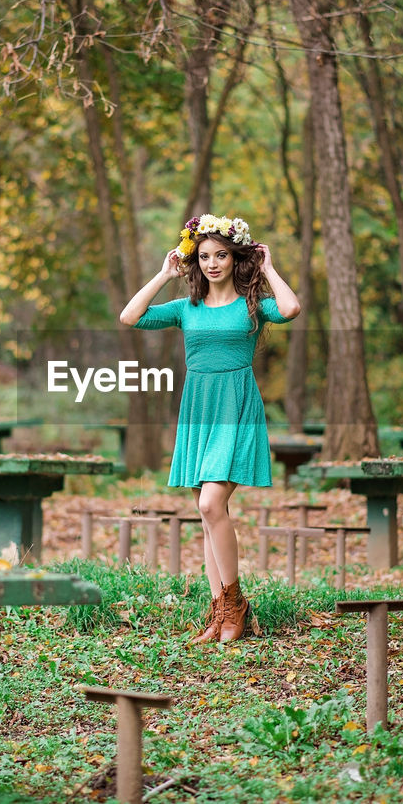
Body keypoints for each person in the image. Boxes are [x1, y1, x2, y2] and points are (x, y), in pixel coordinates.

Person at [119, 214, 301, 644]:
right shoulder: (187, 308)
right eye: (203, 256)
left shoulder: (251, 305)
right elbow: (130, 316)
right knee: (207, 513)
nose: (212, 263)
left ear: (235, 256)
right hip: (198, 410)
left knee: (209, 505)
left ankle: (235, 605)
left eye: (220, 255)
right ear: (194, 261)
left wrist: (269, 268)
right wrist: (165, 274)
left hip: (236, 408)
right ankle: (219, 613)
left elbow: (291, 308)